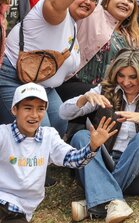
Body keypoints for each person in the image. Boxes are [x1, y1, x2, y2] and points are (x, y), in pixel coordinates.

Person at [59, 49, 139, 222]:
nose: (126, 82)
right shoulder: (106, 90)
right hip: (102, 162)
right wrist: (83, 99)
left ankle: (94, 202)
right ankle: (109, 200)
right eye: (121, 75)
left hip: (137, 172)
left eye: (133, 77)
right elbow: (63, 113)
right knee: (81, 136)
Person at [0, 0, 105, 132]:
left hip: (44, 87)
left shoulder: (72, 24)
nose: (87, 1)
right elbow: (55, 3)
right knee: (39, 129)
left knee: (58, 124)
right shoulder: (55, 14)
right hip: (15, 78)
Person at [0, 82, 116, 223]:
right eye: (27, 108)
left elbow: (74, 159)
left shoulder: (49, 136)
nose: (34, 115)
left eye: (41, 109)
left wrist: (92, 146)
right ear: (14, 110)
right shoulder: (3, 134)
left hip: (18, 211)